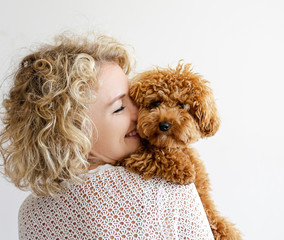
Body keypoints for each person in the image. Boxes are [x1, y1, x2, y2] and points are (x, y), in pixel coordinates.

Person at [0, 33, 214, 239]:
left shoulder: (31, 214)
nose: (139, 113)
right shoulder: (166, 187)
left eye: (135, 99)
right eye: (120, 107)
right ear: (72, 131)